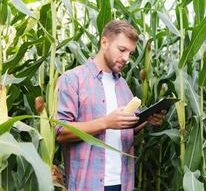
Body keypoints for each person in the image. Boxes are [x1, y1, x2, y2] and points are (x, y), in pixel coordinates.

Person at [55, 20, 165, 191]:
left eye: (130, 53)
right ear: (104, 42)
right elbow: (60, 132)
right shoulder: (72, 79)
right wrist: (106, 122)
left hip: (123, 182)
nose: (126, 58)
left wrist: (146, 120)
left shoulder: (123, 86)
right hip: (87, 184)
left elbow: (127, 128)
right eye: (122, 50)